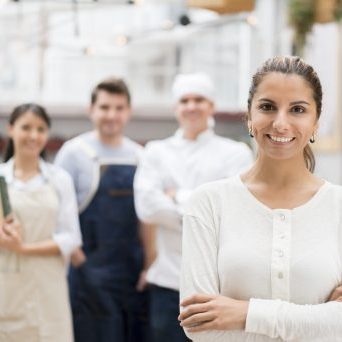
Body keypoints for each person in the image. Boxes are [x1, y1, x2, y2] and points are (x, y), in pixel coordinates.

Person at [179, 56, 342, 341]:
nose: (280, 123)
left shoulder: (338, 206)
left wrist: (244, 314)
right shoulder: (208, 204)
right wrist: (317, 319)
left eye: (298, 110)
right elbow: (199, 328)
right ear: (249, 116)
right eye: (267, 107)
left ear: (316, 121)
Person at [134, 72, 254, 342]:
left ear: (211, 105)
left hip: (220, 289)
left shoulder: (236, 154)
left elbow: (235, 211)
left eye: (199, 99)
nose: (191, 106)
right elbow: (147, 208)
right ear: (176, 107)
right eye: (184, 100)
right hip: (167, 284)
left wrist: (177, 197)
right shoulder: (155, 151)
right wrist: (204, 210)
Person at [54, 77, 152, 342]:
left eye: (119, 108)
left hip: (132, 277)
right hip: (87, 276)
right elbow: (58, 215)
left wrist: (147, 266)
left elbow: (147, 218)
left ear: (129, 112)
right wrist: (82, 266)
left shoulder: (140, 156)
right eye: (105, 107)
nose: (112, 115)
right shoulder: (73, 153)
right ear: (91, 109)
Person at [0, 103, 81, 341]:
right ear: (11, 129)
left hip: (49, 286)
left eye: (40, 129)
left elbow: (71, 237)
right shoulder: (0, 179)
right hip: (6, 283)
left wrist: (24, 248)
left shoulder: (59, 179)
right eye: (26, 127)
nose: (33, 136)